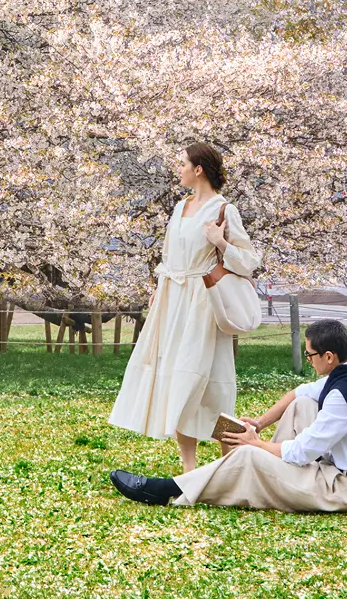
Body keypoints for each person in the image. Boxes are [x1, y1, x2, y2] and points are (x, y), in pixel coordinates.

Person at [109, 318, 347, 513]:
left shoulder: (341, 397)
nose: (308, 360)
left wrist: (256, 444)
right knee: (301, 406)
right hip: (346, 475)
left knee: (249, 456)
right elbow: (300, 394)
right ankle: (263, 466)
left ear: (328, 357)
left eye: (310, 355)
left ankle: (166, 490)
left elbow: (300, 451)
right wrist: (259, 423)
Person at [108, 142, 262, 472]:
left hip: (204, 302)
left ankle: (228, 466)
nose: (178, 169)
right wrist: (160, 287)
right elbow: (168, 256)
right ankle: (189, 469)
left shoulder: (224, 210)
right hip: (174, 301)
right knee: (178, 381)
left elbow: (249, 261)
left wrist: (221, 242)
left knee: (212, 380)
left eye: (183, 164)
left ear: (199, 169)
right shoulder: (180, 208)